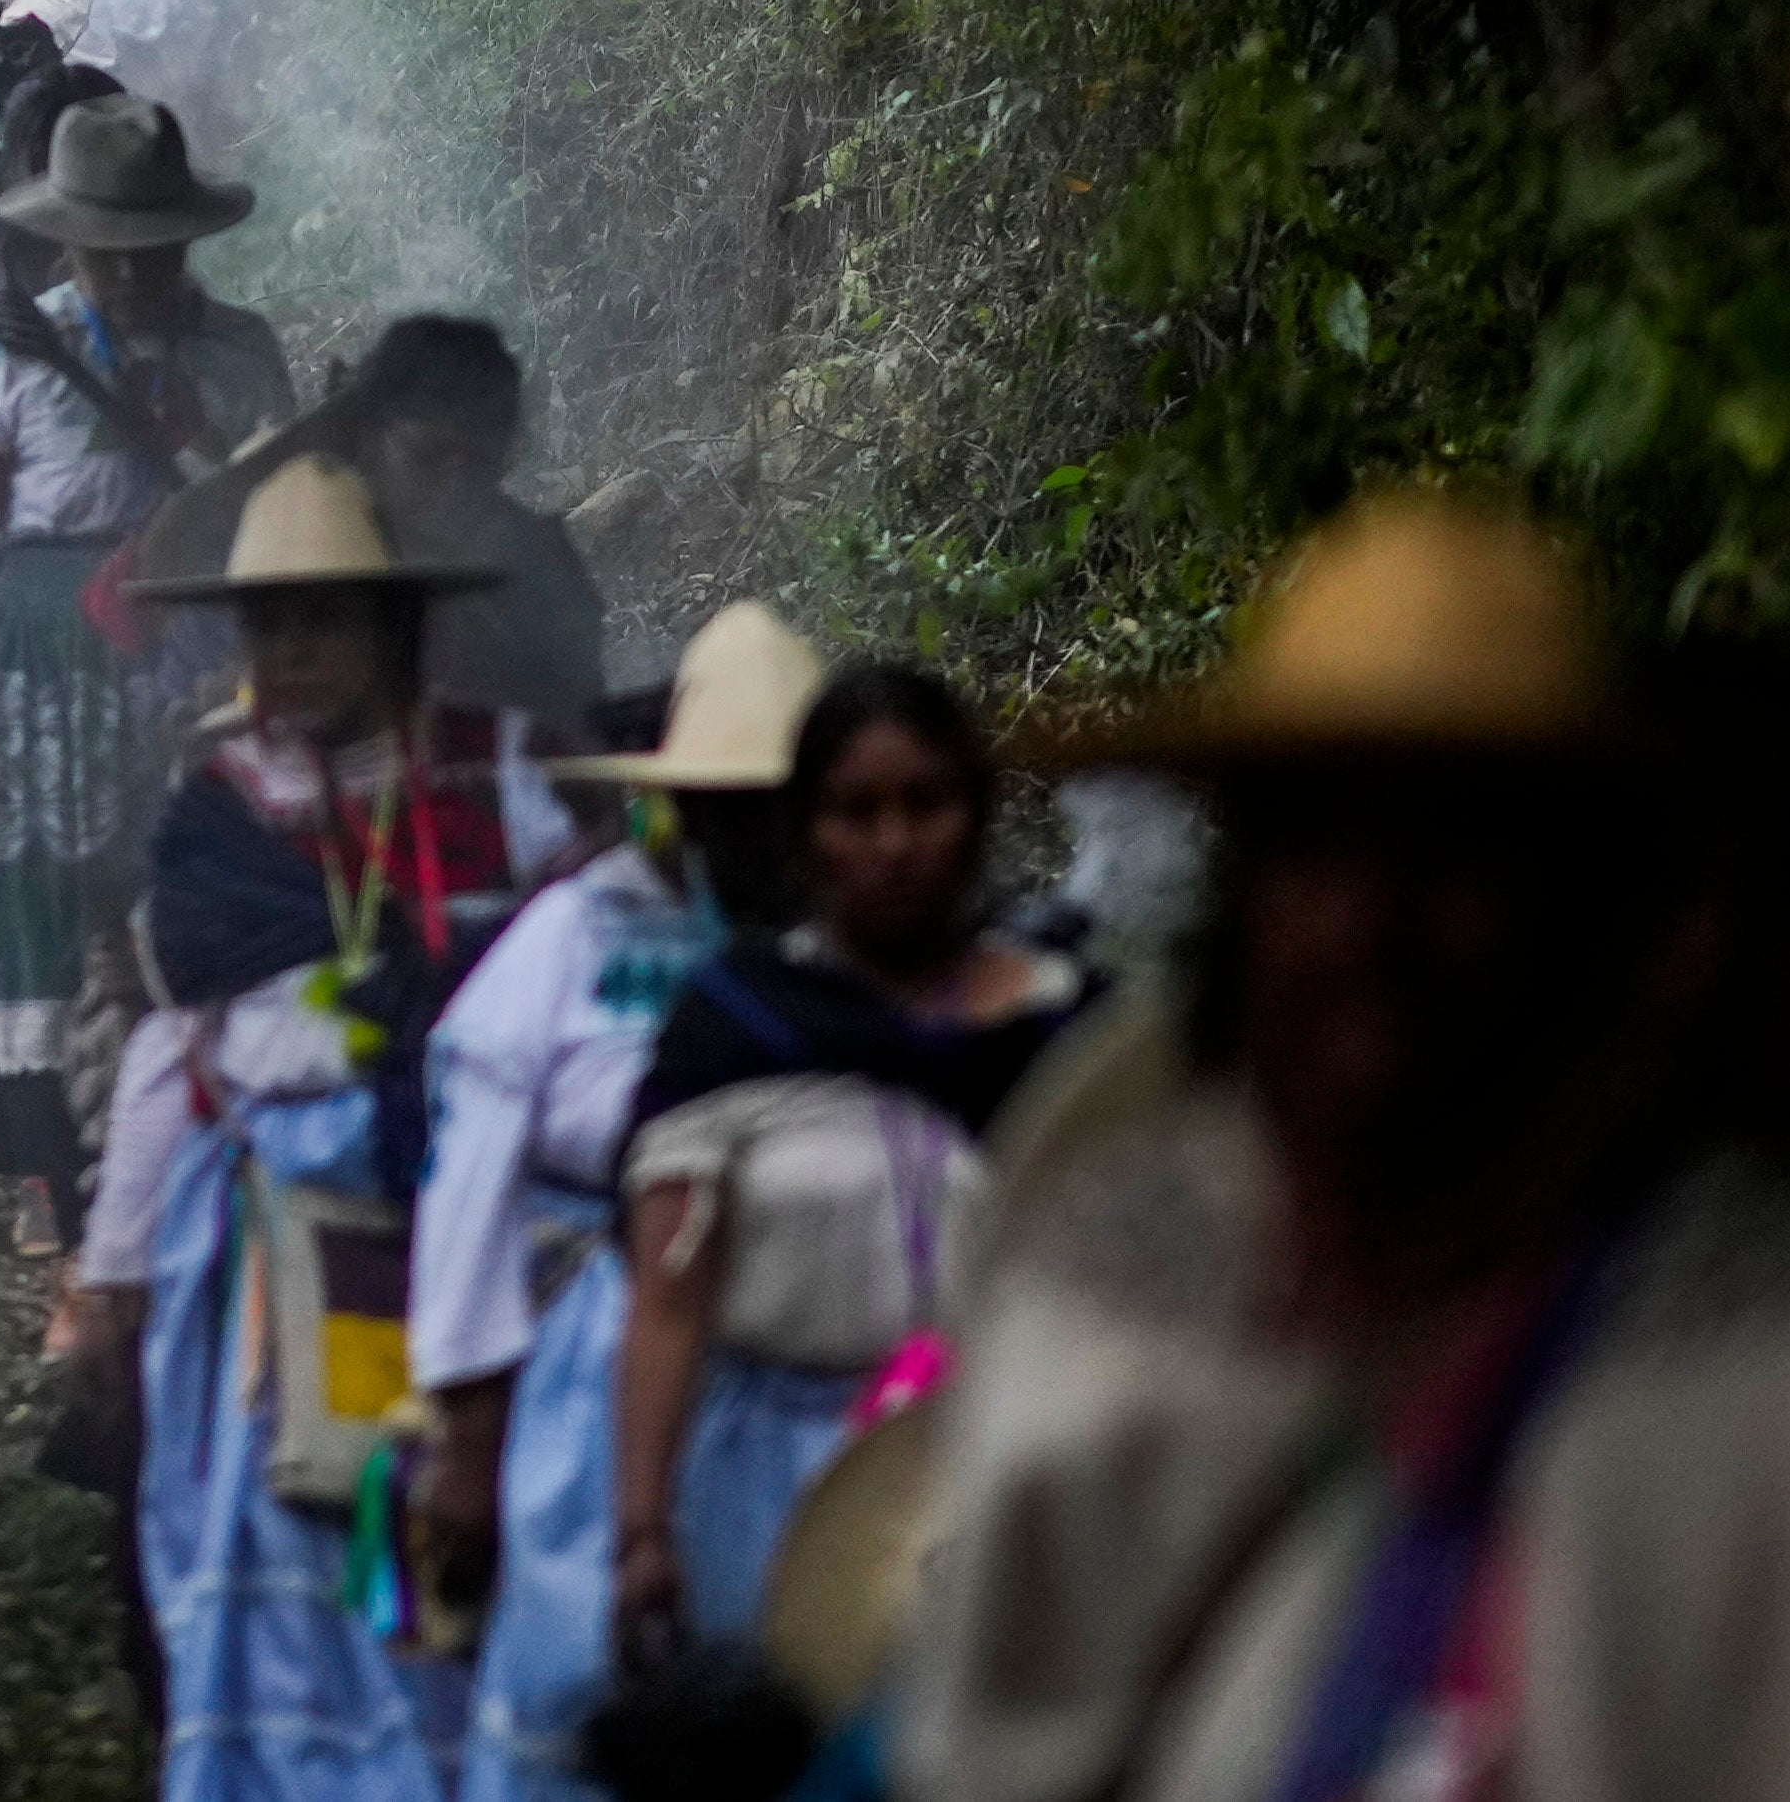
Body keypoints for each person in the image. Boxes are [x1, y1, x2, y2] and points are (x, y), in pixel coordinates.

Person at [896, 494, 1790, 1802]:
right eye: (1315, 843)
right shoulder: (1105, 1292)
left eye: (1460, 846)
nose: (1368, 924)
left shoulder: (1730, 1368)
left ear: (1600, 914)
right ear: (1243, 896)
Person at [83, 459, 566, 1802]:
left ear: (387, 625)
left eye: (320, 620)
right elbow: (175, 1040)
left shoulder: (498, 771)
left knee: (449, 1496)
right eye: (265, 624)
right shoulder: (223, 804)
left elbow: (558, 964)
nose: (287, 651)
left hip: (466, 1206)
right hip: (266, 1228)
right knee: (288, 1506)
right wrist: (111, 1258)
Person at [402, 603, 824, 1802]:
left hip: (794, 1376)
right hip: (588, 1371)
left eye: (781, 802)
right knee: (583, 1668)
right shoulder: (573, 935)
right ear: (674, 795)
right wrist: (466, 1433)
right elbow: (467, 1189)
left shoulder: (833, 945)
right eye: (727, 801)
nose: (755, 833)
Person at [603, 660, 1090, 1686]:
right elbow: (667, 1297)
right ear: (805, 830)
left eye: (924, 803)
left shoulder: (1068, 1025)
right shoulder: (734, 1025)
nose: (891, 842)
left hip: (1007, 1469)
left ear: (975, 811)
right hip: (778, 1482)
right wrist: (642, 1529)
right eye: (853, 810)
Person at [0, 92, 292, 1248]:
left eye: (150, 250)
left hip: (197, 656)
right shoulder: (8, 356)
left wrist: (193, 439)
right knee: (43, 900)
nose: (127, 275)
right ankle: (55, 1171)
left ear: (186, 238)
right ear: (65, 241)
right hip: (37, 666)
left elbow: (282, 511)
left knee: (189, 882)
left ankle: (197, 1138)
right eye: (104, 252)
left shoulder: (237, 352)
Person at [350, 319, 611, 746]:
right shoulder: (323, 555)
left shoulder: (539, 562)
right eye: (428, 456)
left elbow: (575, 731)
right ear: (369, 442)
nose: (457, 486)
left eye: (480, 462)